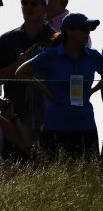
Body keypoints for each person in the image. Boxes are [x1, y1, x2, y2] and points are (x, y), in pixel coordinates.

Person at [15, 13, 103, 159]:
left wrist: (92, 91)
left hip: (85, 123)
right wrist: (44, 89)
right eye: (84, 29)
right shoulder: (51, 55)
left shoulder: (93, 56)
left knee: (87, 175)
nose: (88, 32)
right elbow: (21, 72)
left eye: (89, 29)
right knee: (56, 173)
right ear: (69, 31)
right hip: (56, 124)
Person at [0, 0, 52, 148]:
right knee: (14, 168)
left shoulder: (55, 39)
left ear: (45, 8)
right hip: (15, 116)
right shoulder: (7, 39)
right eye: (24, 3)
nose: (28, 7)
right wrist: (17, 65)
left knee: (49, 165)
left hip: (48, 116)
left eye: (34, 3)